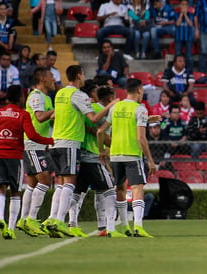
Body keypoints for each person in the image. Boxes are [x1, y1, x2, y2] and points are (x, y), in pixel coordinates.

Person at [45, 65, 115, 237]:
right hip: (70, 141)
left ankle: (53, 219)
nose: (84, 77)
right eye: (83, 74)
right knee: (70, 183)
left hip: (56, 141)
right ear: (78, 75)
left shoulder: (60, 93)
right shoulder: (78, 95)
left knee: (64, 184)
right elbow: (93, 118)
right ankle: (59, 221)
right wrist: (111, 106)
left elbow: (54, 115)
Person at [0, 85, 54, 240]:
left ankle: (0, 218)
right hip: (14, 156)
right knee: (15, 192)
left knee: (0, 189)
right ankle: (10, 228)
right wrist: (50, 140)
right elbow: (32, 135)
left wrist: (0, 136)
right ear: (21, 98)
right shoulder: (22, 115)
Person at [97, 78, 160, 237]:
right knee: (137, 188)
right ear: (139, 90)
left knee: (118, 189)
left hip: (115, 155)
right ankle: (138, 226)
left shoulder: (116, 107)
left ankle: (114, 227)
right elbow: (141, 138)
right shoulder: (140, 109)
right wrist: (151, 160)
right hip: (132, 154)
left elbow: (100, 132)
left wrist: (101, 151)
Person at [68, 84, 118, 238]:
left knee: (77, 193)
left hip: (82, 157)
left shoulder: (89, 109)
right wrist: (116, 144)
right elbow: (100, 133)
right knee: (109, 191)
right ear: (110, 98)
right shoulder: (99, 110)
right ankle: (109, 228)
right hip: (92, 157)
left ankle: (58, 219)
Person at [16, 67, 55, 237]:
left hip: (37, 144)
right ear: (43, 79)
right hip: (33, 144)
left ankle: (24, 219)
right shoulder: (36, 96)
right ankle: (31, 218)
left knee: (32, 184)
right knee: (44, 181)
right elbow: (39, 117)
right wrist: (57, 110)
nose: (54, 79)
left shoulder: (45, 97)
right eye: (51, 76)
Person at [174, 0, 194, 70]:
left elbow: (191, 24)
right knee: (177, 55)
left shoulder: (190, 14)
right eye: (182, 4)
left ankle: (189, 72)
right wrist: (181, 15)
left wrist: (185, 15)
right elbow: (177, 24)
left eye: (185, 5)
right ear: (180, 5)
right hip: (179, 37)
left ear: (187, 6)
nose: (184, 6)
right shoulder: (176, 14)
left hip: (188, 37)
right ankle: (177, 71)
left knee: (189, 57)